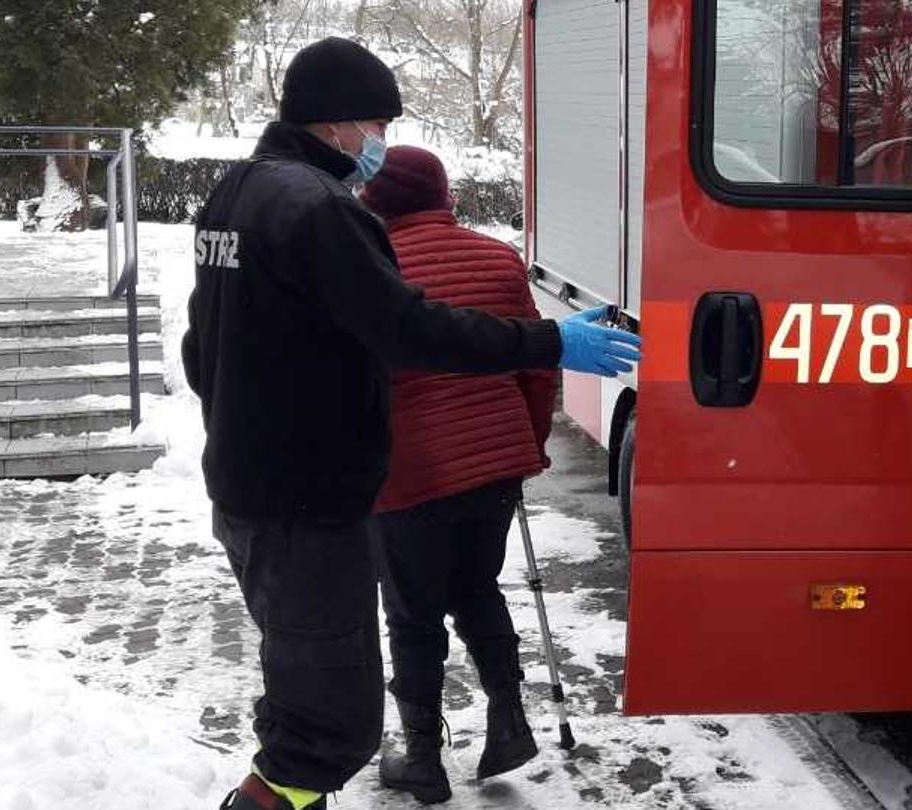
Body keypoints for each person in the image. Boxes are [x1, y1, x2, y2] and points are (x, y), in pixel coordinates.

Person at [182, 38, 641, 810]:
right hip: (308, 504)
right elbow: (410, 331)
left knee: (302, 693)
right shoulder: (320, 209)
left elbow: (203, 350)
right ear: (334, 123)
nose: (378, 142)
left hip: (251, 491)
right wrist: (552, 341)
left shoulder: (235, 194)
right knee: (332, 727)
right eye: (375, 122)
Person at [354, 146, 559, 804]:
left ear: (373, 199)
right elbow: (536, 365)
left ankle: (423, 759)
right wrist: (527, 442)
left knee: (413, 616)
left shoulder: (368, 268)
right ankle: (509, 720)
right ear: (442, 193)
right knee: (475, 588)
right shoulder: (498, 256)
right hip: (494, 465)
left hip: (407, 474)